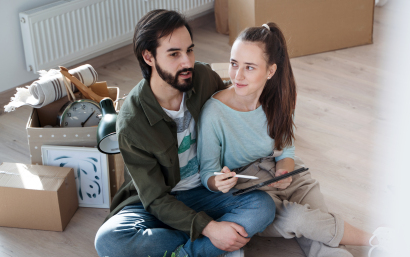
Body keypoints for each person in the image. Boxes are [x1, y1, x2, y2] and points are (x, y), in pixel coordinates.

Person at [197, 22, 392, 257]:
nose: (238, 75)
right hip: (250, 190)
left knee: (316, 224)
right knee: (300, 219)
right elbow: (207, 172)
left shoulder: (280, 99)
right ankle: (377, 239)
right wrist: (218, 182)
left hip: (286, 173)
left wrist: (284, 169)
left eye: (249, 67)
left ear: (270, 71)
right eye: (234, 63)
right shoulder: (214, 113)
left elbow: (287, 149)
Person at [94, 10, 275, 257]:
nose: (187, 62)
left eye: (189, 50)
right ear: (148, 57)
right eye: (174, 54)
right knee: (109, 241)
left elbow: (233, 115)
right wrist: (210, 228)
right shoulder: (132, 120)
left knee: (262, 207)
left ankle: (184, 250)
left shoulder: (203, 78)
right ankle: (210, 245)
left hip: (205, 191)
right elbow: (155, 199)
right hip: (155, 202)